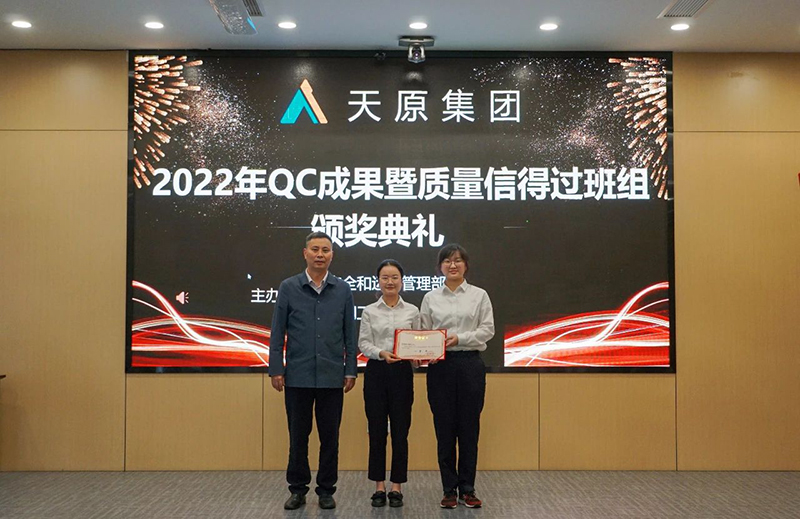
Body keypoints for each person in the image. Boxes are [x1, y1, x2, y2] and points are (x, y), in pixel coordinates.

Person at [268, 231, 357, 510]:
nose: (320, 254)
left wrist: (351, 370)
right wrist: (276, 368)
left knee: (330, 438)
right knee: (298, 436)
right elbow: (277, 331)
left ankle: (326, 490)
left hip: (332, 375)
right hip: (298, 375)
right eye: (315, 249)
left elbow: (350, 334)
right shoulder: (288, 287)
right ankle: (297, 489)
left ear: (332, 255)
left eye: (325, 250)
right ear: (305, 253)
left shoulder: (343, 289)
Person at [420, 243, 494, 509]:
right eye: (447, 261)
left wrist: (459, 338)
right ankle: (449, 489)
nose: (453, 265)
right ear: (440, 266)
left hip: (470, 364)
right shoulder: (430, 298)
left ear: (466, 265)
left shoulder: (479, 295)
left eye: (458, 260)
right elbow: (424, 332)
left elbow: (487, 330)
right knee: (444, 429)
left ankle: (468, 488)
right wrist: (423, 350)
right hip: (440, 367)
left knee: (469, 428)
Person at [358, 259, 420, 508]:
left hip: (403, 372)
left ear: (402, 281)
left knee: (401, 431)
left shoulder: (412, 311)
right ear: (378, 281)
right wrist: (381, 353)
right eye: (385, 277)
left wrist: (419, 354)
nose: (390, 282)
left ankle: (396, 486)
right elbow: (364, 343)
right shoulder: (369, 311)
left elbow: (419, 339)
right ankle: (378, 486)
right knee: (376, 430)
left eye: (395, 277)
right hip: (377, 371)